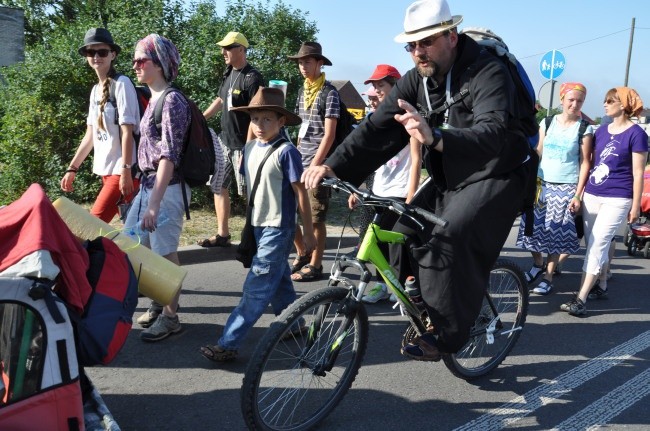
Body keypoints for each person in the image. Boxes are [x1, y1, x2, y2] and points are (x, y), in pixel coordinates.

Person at [302, 0, 532, 361]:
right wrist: (333, 167)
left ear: (451, 36)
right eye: (411, 45)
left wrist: (438, 138)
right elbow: (376, 129)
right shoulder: (417, 80)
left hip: (499, 171)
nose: (417, 52)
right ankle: (425, 299)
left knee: (449, 236)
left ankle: (447, 334)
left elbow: (494, 132)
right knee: (399, 229)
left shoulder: (487, 72)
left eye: (425, 42)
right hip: (452, 174)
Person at [199, 87, 316, 362]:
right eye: (255, 119)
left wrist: (307, 233)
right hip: (257, 226)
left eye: (267, 119)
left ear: (281, 122)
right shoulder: (249, 149)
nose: (260, 125)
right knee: (278, 279)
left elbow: (301, 193)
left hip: (278, 228)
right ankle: (294, 323)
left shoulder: (287, 152)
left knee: (257, 287)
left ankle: (228, 343)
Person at [561, 87, 648, 316]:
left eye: (610, 101)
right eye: (605, 100)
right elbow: (588, 162)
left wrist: (636, 205)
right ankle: (601, 284)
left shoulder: (637, 134)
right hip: (593, 194)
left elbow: (638, 173)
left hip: (618, 197)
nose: (605, 105)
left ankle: (580, 298)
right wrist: (579, 194)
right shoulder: (601, 131)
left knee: (598, 243)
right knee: (593, 243)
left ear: (623, 105)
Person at [127, 34, 190, 341]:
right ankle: (157, 300)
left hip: (167, 190)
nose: (135, 65)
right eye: (135, 59)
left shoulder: (172, 100)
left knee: (165, 254)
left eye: (142, 60)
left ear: (161, 65)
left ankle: (171, 316)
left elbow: (169, 155)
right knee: (134, 245)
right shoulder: (153, 98)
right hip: (149, 186)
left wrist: (154, 202)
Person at [349, 64, 422, 303]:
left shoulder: (407, 116)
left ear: (395, 86)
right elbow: (368, 156)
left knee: (396, 244)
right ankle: (382, 285)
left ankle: (401, 286)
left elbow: (416, 157)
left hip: (399, 191)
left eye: (381, 85)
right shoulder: (378, 120)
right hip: (378, 190)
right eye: (375, 86)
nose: (377, 90)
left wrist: (411, 195)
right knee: (375, 242)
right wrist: (357, 187)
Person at [516, 82, 594, 295]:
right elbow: (538, 151)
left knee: (555, 234)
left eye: (579, 101)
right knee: (531, 228)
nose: (575, 104)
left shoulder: (585, 128)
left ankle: (548, 277)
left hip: (566, 186)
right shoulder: (548, 122)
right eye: (571, 99)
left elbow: (585, 162)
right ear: (562, 100)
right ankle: (537, 264)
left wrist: (578, 194)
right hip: (541, 184)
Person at [61, 28, 140, 223]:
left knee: (92, 225)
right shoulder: (95, 90)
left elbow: (127, 132)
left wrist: (126, 171)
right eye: (91, 52)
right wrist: (73, 168)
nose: (96, 56)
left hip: (122, 171)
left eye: (102, 52)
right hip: (106, 171)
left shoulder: (122, 84)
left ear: (113, 54)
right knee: (129, 228)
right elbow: (90, 136)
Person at [198, 32, 263, 248]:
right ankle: (223, 234)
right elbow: (220, 100)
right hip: (224, 143)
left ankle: (252, 237)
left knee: (248, 194)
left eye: (228, 47)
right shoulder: (228, 73)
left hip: (243, 146)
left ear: (241, 50)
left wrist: (249, 146)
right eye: (223, 47)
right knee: (218, 186)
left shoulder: (252, 77)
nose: (223, 52)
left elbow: (257, 115)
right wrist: (199, 119)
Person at [287, 42, 340, 282]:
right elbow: (300, 128)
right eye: (300, 62)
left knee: (316, 216)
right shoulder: (302, 91)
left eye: (307, 61)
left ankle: (316, 266)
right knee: (292, 212)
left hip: (317, 166)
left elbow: (329, 135)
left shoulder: (330, 93)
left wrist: (315, 166)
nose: (303, 66)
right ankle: (303, 253)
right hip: (300, 161)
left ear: (319, 63)